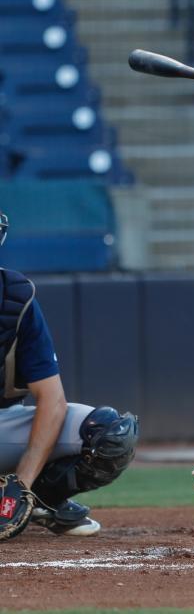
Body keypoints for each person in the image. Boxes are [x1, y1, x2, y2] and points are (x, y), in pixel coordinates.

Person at [0, 209, 138, 540]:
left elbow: (52, 399)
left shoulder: (15, 297)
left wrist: (23, 483)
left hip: (4, 423)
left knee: (111, 434)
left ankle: (36, 500)